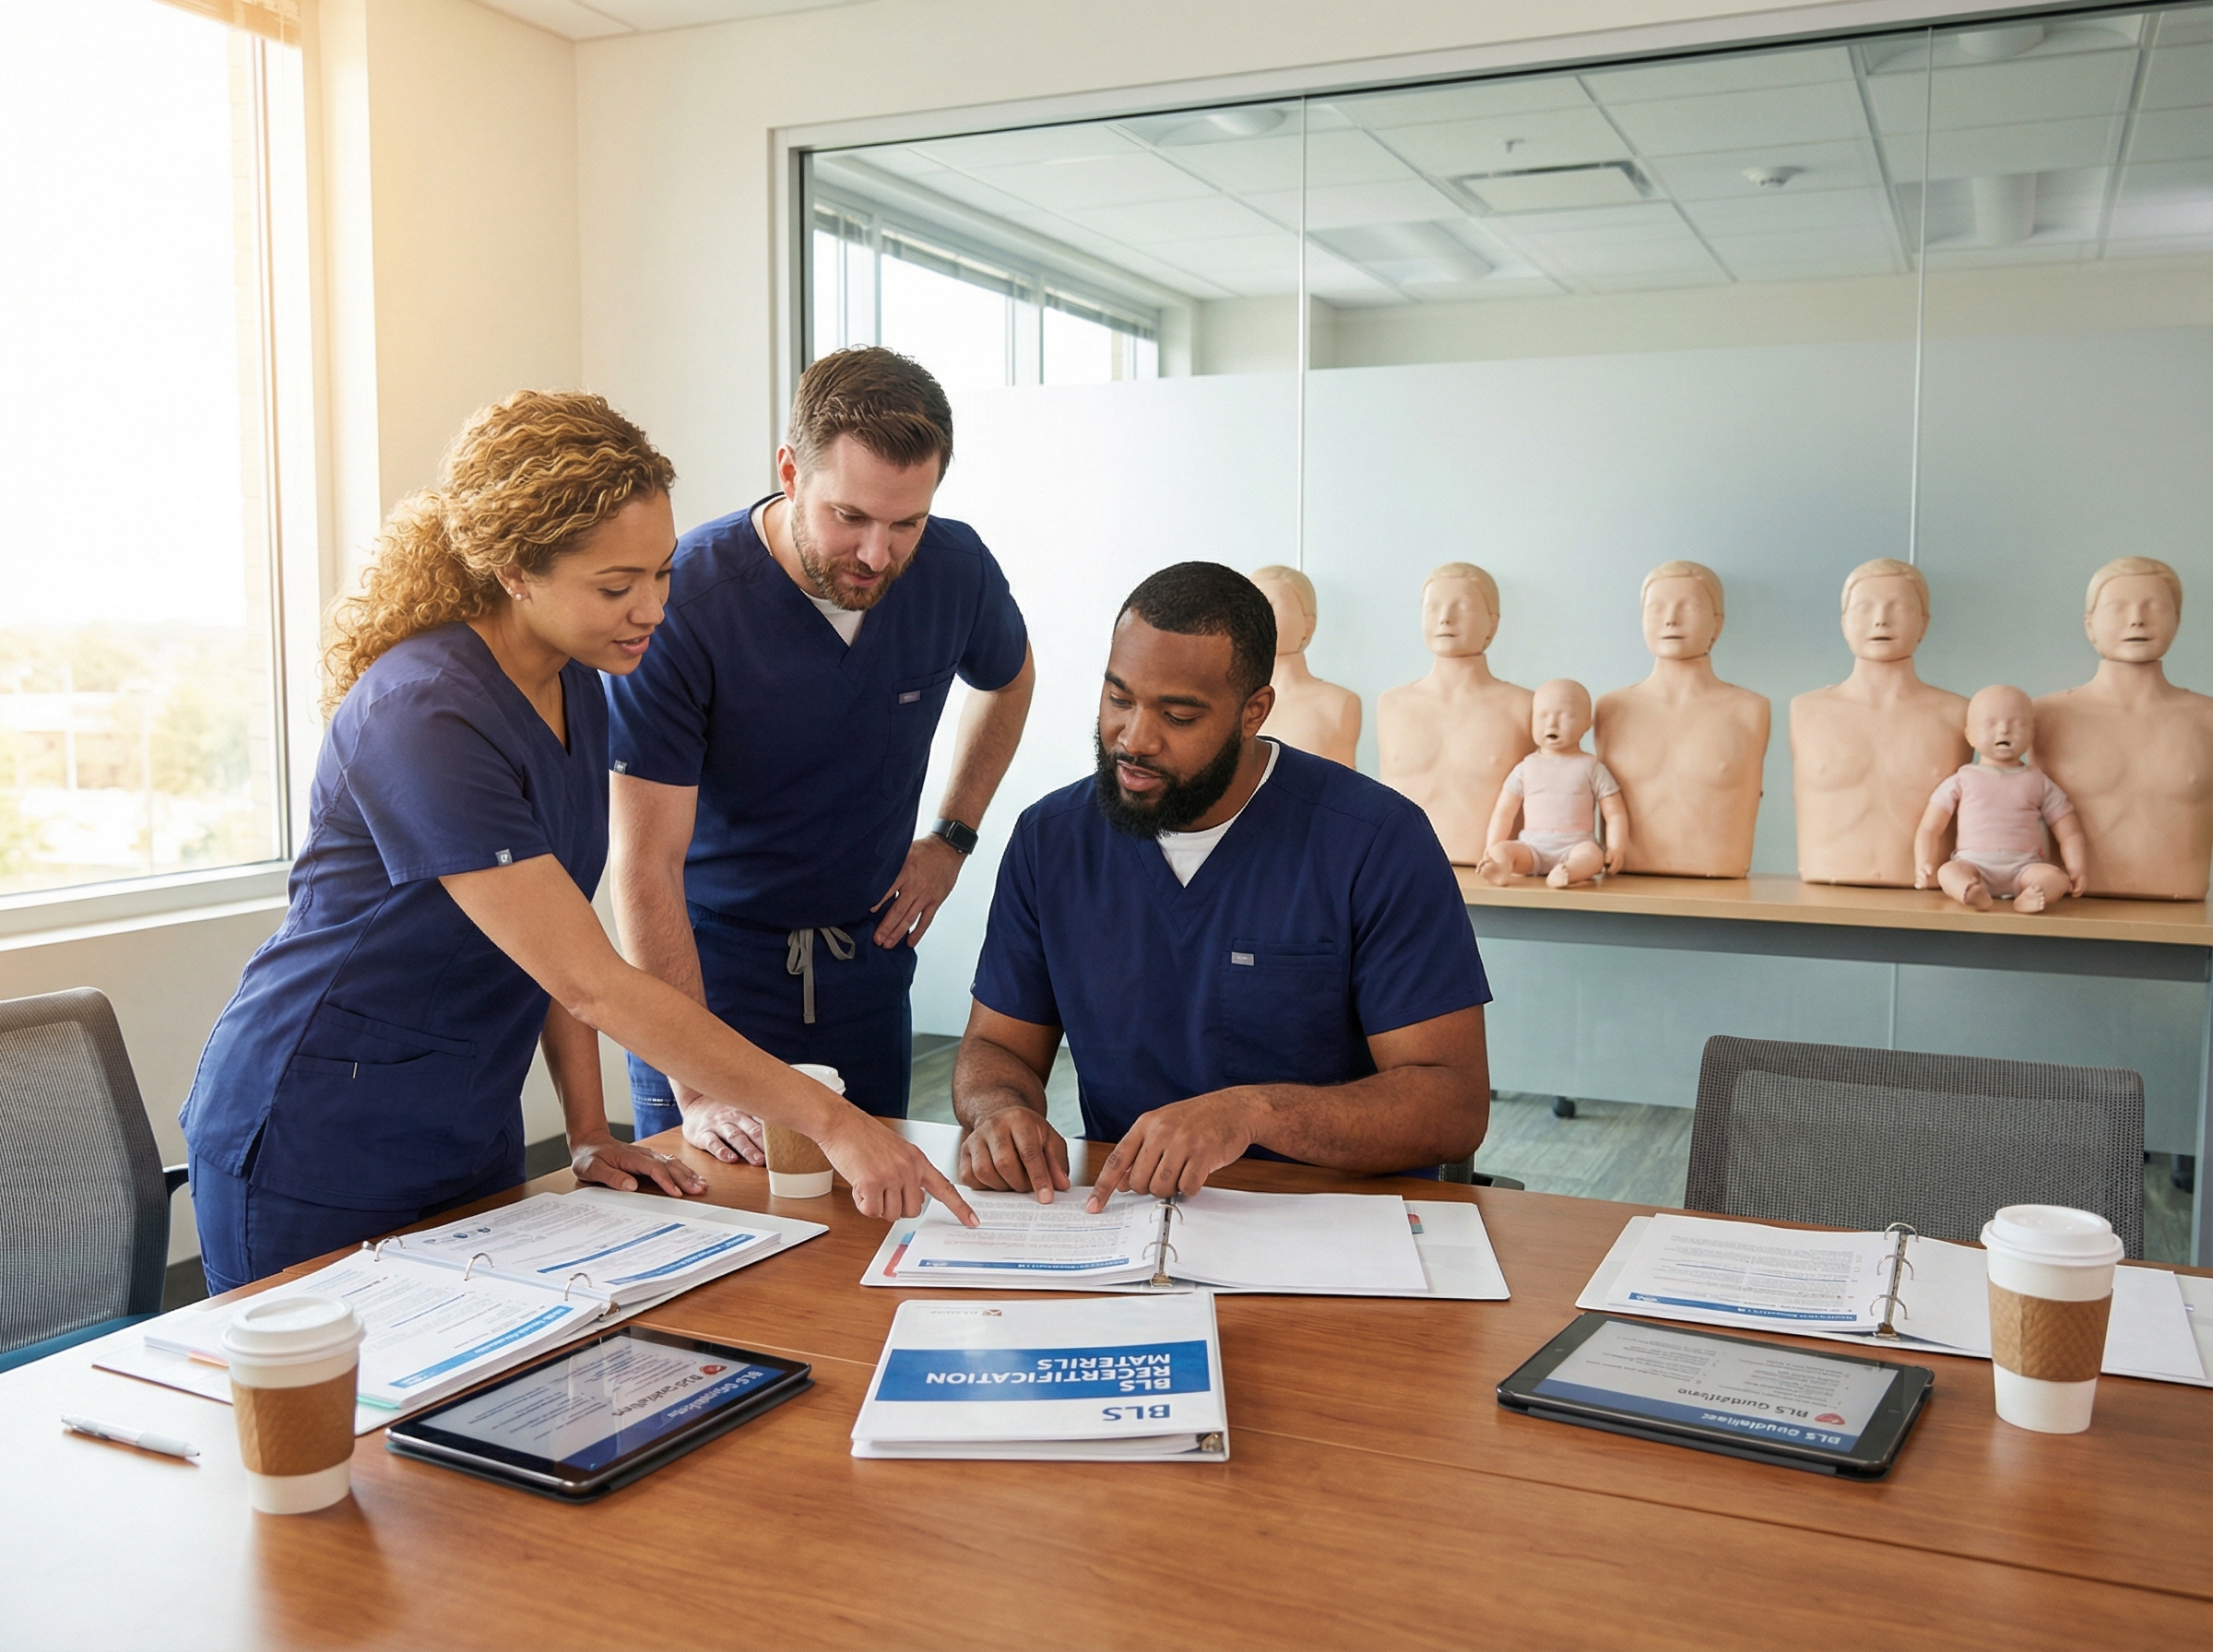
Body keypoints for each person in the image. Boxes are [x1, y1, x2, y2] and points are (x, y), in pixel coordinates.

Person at [181, 392, 972, 1292]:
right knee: (335, 1424)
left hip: (465, 1126)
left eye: (663, 573)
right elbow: (590, 981)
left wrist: (591, 1132)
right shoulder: (423, 713)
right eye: (616, 586)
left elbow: (558, 944)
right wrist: (833, 1120)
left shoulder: (579, 685)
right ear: (517, 570)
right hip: (315, 1133)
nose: (653, 609)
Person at [951, 562, 1492, 1208]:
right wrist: (997, 1111)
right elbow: (995, 1047)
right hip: (1127, 1224)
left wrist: (1253, 1113)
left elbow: (1452, 1106)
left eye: (1177, 716)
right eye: (1118, 698)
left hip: (1334, 1228)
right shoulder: (1052, 840)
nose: (1135, 737)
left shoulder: (1376, 842)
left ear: (1253, 712)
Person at [606, 348, 1033, 1165]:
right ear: (790, 470)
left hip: (864, 967)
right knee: (720, 1236)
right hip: (707, 975)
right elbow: (645, 865)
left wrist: (953, 837)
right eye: (851, 517)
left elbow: (1010, 683)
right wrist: (696, 1088)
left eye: (906, 522)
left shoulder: (954, 570)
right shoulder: (685, 604)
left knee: (869, 1219)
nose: (878, 554)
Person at [1477, 678, 1627, 890]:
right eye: (1542, 716)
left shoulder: (1592, 767)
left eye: (1565, 716)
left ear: (1587, 722)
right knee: (1502, 850)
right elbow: (1504, 812)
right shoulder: (1525, 767)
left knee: (1593, 856)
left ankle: (1569, 872)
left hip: (1576, 845)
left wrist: (1616, 848)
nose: (1551, 724)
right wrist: (1491, 846)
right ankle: (1499, 867)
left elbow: (1615, 813)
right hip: (1531, 847)